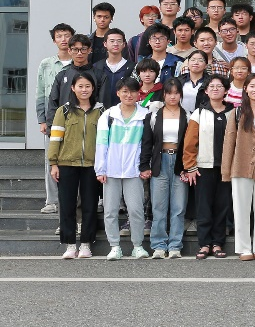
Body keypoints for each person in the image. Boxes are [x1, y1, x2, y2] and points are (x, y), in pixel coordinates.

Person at [95, 77, 151, 260]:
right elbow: (101, 143)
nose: (129, 95)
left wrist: (145, 166)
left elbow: (148, 144)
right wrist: (100, 169)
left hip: (134, 170)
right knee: (110, 211)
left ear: (138, 93)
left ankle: (137, 246)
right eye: (125, 91)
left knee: (136, 210)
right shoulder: (108, 115)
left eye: (133, 91)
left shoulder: (145, 115)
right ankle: (114, 246)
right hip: (111, 170)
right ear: (118, 93)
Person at [49, 71, 103, 259]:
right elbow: (55, 138)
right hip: (66, 163)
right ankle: (70, 245)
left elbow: (105, 140)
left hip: (92, 165)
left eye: (88, 86)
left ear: (93, 88)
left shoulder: (101, 111)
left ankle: (86, 244)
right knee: (67, 205)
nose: (84, 90)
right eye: (80, 86)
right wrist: (53, 163)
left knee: (90, 205)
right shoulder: (63, 111)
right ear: (73, 88)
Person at [183, 74, 234, 259]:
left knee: (222, 206)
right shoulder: (199, 113)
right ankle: (204, 244)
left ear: (226, 90)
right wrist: (190, 166)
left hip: (226, 168)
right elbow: (189, 143)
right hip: (203, 167)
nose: (215, 89)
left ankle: (218, 243)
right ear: (206, 91)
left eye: (219, 86)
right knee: (203, 207)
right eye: (211, 86)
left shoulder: (233, 113)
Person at [223, 73, 255, 261]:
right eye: (251, 86)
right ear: (245, 89)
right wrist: (226, 171)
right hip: (240, 166)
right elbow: (229, 143)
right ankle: (243, 248)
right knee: (241, 209)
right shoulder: (237, 113)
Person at [140, 79, 189, 258]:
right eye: (169, 93)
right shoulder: (154, 116)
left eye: (176, 93)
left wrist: (189, 167)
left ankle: (175, 245)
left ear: (181, 95)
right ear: (164, 94)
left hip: (180, 163)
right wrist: (144, 165)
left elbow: (191, 144)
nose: (173, 96)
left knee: (178, 207)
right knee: (159, 207)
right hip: (159, 161)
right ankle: (159, 245)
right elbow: (147, 143)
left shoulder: (188, 115)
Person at [35, 23, 75, 215]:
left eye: (67, 35)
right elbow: (40, 92)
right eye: (59, 36)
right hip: (53, 118)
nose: (63, 39)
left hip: (75, 118)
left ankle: (73, 199)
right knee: (51, 158)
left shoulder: (79, 63)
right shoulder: (46, 64)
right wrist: (42, 119)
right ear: (54, 40)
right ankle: (52, 200)